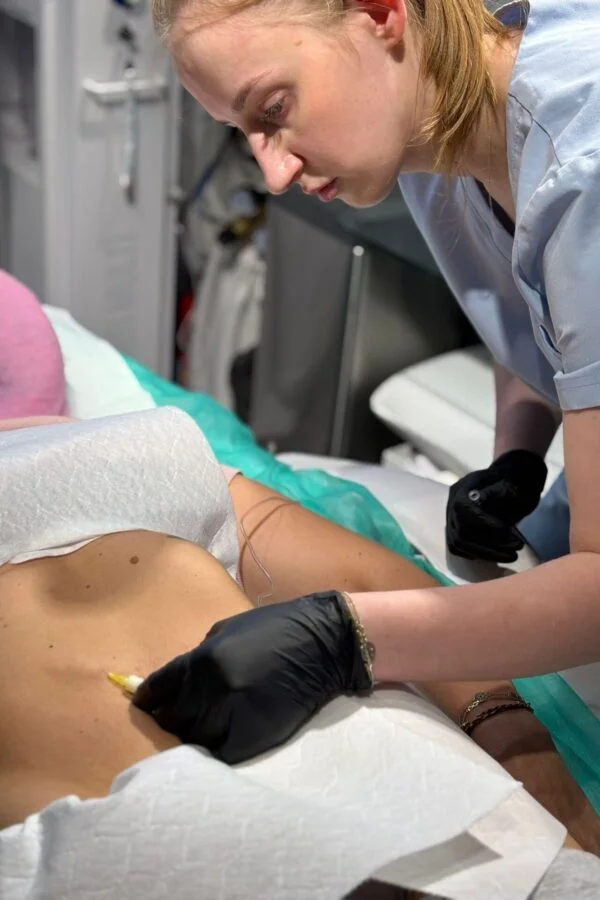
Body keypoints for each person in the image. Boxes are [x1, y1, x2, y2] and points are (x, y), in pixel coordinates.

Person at [139, 0, 600, 775]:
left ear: (380, 14)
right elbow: (532, 296)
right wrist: (518, 452)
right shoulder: (433, 126)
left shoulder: (583, 165)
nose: (275, 173)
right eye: (243, 132)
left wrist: (347, 637)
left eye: (274, 110)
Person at [0, 408, 598, 867]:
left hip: (413, 812)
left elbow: (365, 581)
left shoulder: (98, 445)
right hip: (110, 856)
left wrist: (513, 737)